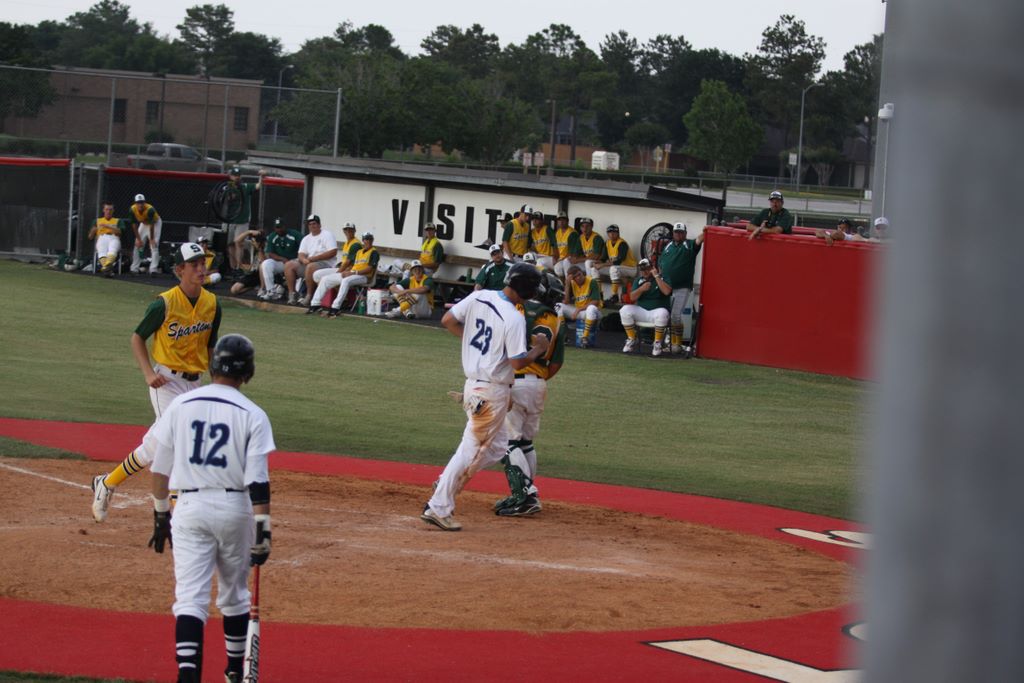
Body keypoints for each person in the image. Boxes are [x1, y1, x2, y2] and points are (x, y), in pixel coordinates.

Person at [147, 333, 273, 683]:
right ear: (248, 372)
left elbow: (159, 469)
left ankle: (188, 675)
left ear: (212, 365)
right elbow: (258, 481)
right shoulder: (253, 414)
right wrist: (263, 530)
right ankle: (234, 671)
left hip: (188, 507)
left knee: (190, 599)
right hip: (235, 508)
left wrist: (161, 513)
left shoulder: (180, 405)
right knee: (235, 597)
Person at [90, 243, 222, 522]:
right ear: (180, 270)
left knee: (155, 444)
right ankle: (178, 508)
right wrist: (149, 373)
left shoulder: (212, 303)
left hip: (194, 384)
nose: (201, 269)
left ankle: (107, 482)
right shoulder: (164, 303)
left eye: (203, 264)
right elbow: (137, 338)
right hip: (166, 383)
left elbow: (210, 346)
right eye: (195, 265)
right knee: (178, 439)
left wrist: (216, 382)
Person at [420, 263, 549, 531]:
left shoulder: (480, 295)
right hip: (490, 392)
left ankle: (448, 480)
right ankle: (438, 505)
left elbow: (448, 321)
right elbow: (518, 363)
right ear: (526, 289)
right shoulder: (514, 318)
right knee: (470, 450)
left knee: (498, 447)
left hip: (475, 385)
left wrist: (475, 345)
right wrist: (538, 349)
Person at [494, 272, 565, 517]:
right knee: (525, 442)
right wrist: (537, 380)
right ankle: (529, 493)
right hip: (539, 385)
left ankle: (524, 496)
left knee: (507, 442)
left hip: (517, 380)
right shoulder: (557, 320)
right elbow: (556, 363)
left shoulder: (519, 309)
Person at [658, 222, 706, 353]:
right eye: (676, 232)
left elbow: (700, 239)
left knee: (675, 315)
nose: (678, 234)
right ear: (673, 233)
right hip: (666, 286)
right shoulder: (668, 246)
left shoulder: (689, 245)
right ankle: (669, 342)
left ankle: (677, 344)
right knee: (666, 314)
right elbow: (661, 263)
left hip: (682, 286)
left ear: (685, 233)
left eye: (681, 232)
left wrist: (706, 230)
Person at [309, 231, 379, 318]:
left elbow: (370, 268)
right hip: (353, 274)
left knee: (346, 281)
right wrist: (347, 271)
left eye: (369, 239)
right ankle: (315, 305)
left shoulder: (374, 252)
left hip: (365, 277)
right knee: (325, 279)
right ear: (363, 240)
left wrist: (353, 272)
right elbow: (354, 265)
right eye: (366, 239)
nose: (368, 241)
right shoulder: (359, 252)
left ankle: (335, 308)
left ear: (372, 240)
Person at [620, 258, 672, 357]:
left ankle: (657, 343)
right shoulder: (639, 280)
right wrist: (641, 289)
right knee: (624, 310)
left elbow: (667, 292)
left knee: (663, 313)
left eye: (647, 269)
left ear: (652, 268)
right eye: (642, 270)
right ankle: (632, 338)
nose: (644, 272)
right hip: (643, 312)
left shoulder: (663, 277)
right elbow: (632, 297)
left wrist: (656, 276)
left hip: (657, 312)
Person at [285, 215, 338, 305]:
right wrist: (303, 260)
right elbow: (301, 254)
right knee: (289, 265)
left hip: (326, 264)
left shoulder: (327, 235)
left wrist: (314, 258)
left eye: (314, 224)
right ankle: (293, 294)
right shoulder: (306, 238)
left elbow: (333, 252)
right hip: (309, 263)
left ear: (319, 225)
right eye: (310, 224)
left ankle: (309, 296)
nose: (312, 226)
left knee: (310, 266)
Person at [223, 167, 267, 272]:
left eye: (238, 175)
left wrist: (261, 176)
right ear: (231, 176)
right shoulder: (227, 187)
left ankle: (238, 267)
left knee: (239, 243)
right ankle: (232, 268)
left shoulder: (245, 186)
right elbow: (224, 199)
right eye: (235, 175)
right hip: (229, 220)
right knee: (230, 245)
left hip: (242, 220)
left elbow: (258, 186)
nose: (237, 177)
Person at [589, 224, 636, 305]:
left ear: (618, 233)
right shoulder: (607, 243)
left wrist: (602, 265)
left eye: (614, 232)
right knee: (594, 269)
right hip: (618, 268)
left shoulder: (622, 243)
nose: (612, 234)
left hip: (630, 268)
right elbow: (603, 258)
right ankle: (599, 294)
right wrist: (596, 263)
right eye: (610, 232)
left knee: (613, 268)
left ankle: (614, 295)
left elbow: (619, 261)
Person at [558, 264, 602, 348]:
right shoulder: (572, 283)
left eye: (579, 274)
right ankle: (563, 335)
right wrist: (567, 285)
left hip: (594, 312)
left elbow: (595, 302)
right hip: (580, 312)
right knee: (558, 306)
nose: (578, 277)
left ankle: (584, 338)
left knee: (591, 308)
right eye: (575, 277)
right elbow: (566, 301)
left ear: (582, 273)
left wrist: (578, 310)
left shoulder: (592, 281)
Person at [256, 218, 301, 300]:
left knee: (291, 265)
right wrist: (282, 259)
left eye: (280, 227)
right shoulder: (272, 236)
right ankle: (271, 291)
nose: (279, 229)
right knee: (266, 264)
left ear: (285, 226)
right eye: (277, 227)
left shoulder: (295, 234)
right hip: (282, 262)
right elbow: (270, 253)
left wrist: (295, 260)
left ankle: (295, 293)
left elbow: (303, 248)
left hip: (295, 261)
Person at [87, 201, 126, 277]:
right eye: (107, 209)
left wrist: (108, 226)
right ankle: (107, 269)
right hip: (102, 237)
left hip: (114, 237)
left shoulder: (118, 221)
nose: (108, 211)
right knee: (101, 251)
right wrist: (93, 230)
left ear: (113, 211)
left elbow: (120, 232)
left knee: (113, 249)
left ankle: (105, 268)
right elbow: (90, 237)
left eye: (110, 209)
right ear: (103, 210)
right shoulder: (97, 221)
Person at [129, 193, 162, 274]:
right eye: (138, 203)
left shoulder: (150, 209)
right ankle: (134, 268)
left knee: (154, 245)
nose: (140, 205)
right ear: (135, 203)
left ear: (144, 202)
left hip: (155, 224)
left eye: (142, 202)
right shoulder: (132, 209)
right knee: (137, 245)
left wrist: (151, 239)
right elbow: (134, 225)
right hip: (143, 224)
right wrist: (139, 239)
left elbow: (151, 226)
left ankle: (153, 269)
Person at [228, 229, 267, 297]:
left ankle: (263, 288)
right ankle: (253, 286)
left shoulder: (267, 246)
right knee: (234, 290)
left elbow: (264, 263)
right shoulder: (252, 243)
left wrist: (259, 249)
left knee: (262, 266)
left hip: (263, 273)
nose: (256, 241)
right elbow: (237, 241)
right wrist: (249, 232)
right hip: (253, 273)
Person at [552, 210, 580, 278]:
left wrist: (560, 260)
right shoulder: (557, 232)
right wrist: (554, 257)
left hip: (570, 259)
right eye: (559, 220)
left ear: (567, 221)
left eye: (563, 220)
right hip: (560, 258)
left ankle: (568, 282)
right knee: (541, 262)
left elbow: (572, 253)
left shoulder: (572, 233)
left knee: (559, 267)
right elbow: (555, 248)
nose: (561, 222)